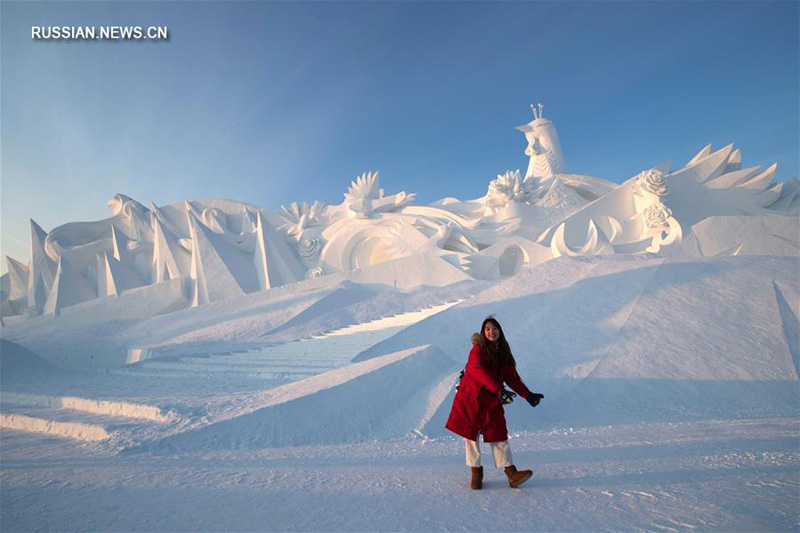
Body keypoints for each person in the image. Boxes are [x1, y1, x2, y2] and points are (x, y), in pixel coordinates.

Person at [445, 316, 545, 490]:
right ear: (483, 333)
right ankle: (476, 473)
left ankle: (512, 474)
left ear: (500, 331)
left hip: (492, 400)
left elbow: (512, 377)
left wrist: (527, 395)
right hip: (471, 398)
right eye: (488, 329)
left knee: (498, 433)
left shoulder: (503, 353)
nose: (492, 332)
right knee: (471, 436)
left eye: (495, 328)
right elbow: (478, 371)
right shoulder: (477, 350)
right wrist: (499, 390)